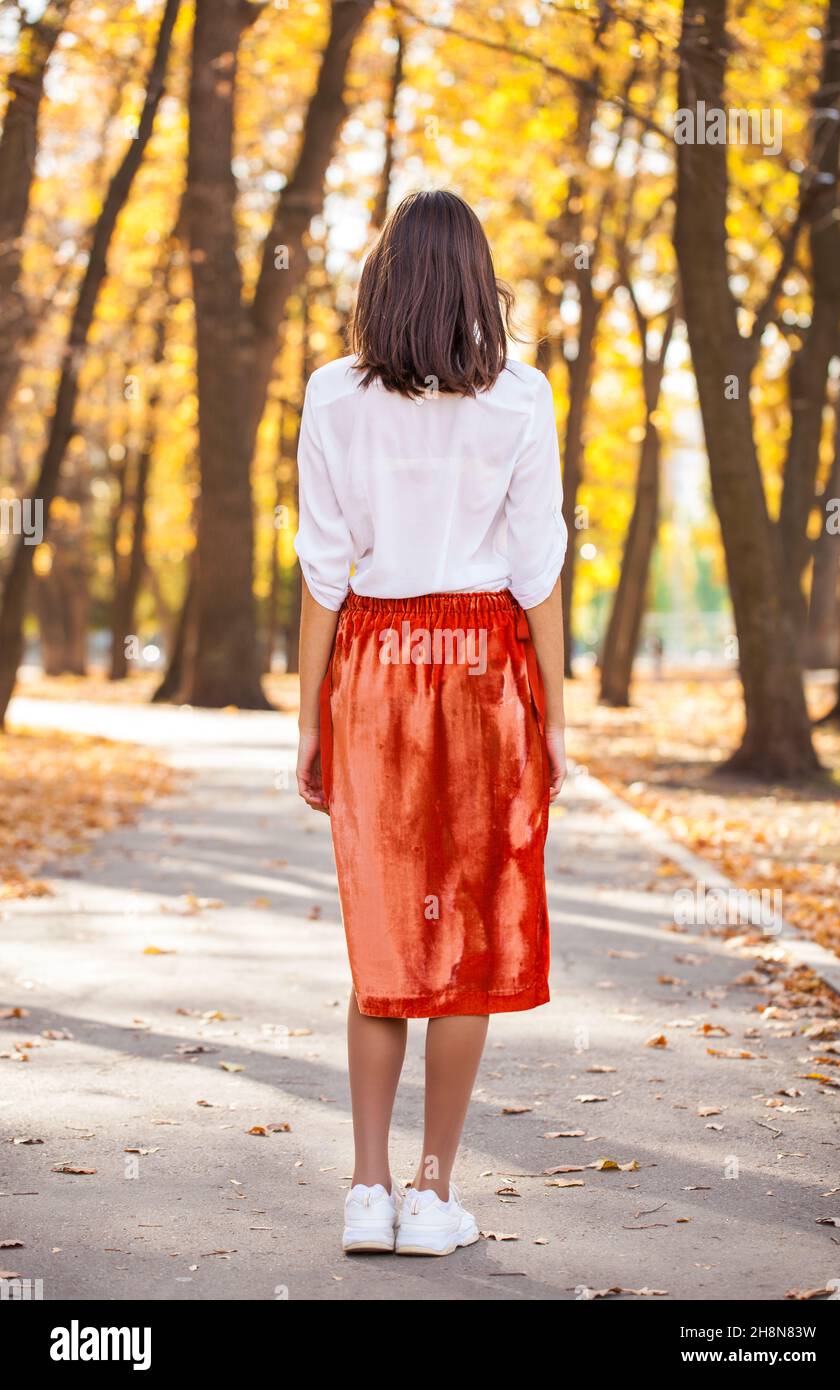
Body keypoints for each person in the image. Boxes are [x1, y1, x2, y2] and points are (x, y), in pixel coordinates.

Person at [294, 189, 568, 1258]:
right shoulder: (520, 396)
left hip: (373, 663)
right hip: (485, 668)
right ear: (474, 280)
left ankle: (365, 1192)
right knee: (471, 941)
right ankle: (430, 1191)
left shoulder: (330, 393)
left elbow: (322, 569)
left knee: (383, 933)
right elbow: (537, 568)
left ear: (384, 278)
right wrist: (554, 717)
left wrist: (310, 721)